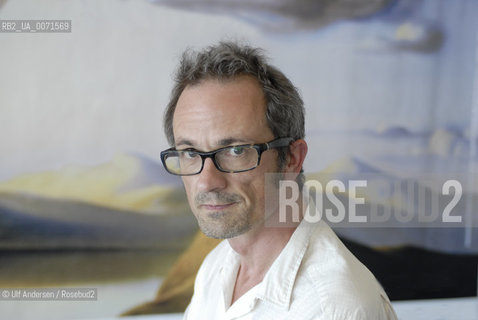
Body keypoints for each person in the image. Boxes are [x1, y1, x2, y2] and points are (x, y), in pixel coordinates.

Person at [160, 41, 397, 319]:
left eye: (236, 150)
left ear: (292, 158)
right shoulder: (216, 268)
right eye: (189, 152)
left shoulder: (333, 307)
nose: (207, 182)